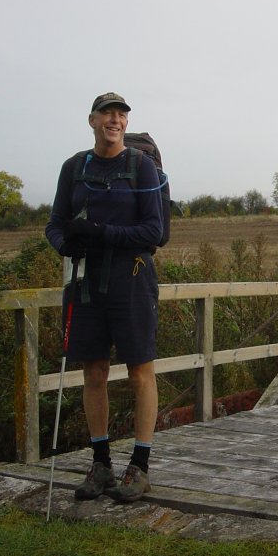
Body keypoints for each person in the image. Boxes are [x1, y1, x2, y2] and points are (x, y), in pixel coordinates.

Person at [45, 92, 163, 503]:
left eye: (121, 115)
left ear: (126, 125)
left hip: (131, 276)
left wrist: (101, 234)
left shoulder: (141, 167)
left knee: (138, 371)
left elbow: (154, 231)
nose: (115, 120)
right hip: (86, 279)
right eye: (107, 113)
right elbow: (55, 223)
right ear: (92, 120)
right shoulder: (74, 168)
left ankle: (141, 466)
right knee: (93, 370)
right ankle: (101, 465)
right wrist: (65, 244)